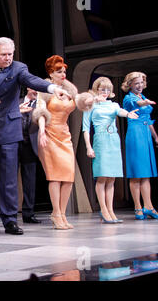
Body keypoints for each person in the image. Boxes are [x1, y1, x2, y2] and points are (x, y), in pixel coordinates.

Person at [0, 38, 68, 237]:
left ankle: (10, 219)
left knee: (9, 178)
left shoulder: (18, 68)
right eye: (3, 55)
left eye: (10, 54)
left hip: (9, 128)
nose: (8, 58)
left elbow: (32, 80)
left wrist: (52, 88)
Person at [32, 55, 93, 230]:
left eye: (64, 71)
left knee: (68, 177)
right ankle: (56, 213)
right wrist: (42, 132)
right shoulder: (45, 89)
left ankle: (62, 214)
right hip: (49, 135)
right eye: (59, 71)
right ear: (51, 74)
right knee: (55, 177)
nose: (63, 74)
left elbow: (80, 101)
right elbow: (40, 112)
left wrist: (89, 99)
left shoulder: (69, 88)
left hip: (65, 136)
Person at [82, 77, 139, 223]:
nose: (105, 92)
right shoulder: (91, 105)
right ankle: (103, 209)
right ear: (96, 90)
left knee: (111, 178)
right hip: (100, 141)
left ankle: (111, 210)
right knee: (102, 177)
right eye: (102, 89)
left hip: (113, 140)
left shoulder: (113, 105)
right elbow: (86, 128)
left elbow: (120, 111)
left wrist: (128, 114)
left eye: (108, 89)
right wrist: (88, 147)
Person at [121, 72, 158, 220]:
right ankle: (138, 207)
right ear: (130, 84)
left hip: (145, 134)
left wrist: (156, 137)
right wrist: (147, 103)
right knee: (137, 173)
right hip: (135, 134)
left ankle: (148, 206)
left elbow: (148, 119)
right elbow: (137, 105)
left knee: (146, 174)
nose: (139, 85)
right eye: (136, 83)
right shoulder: (129, 98)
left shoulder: (143, 97)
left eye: (141, 82)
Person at [18, 88, 41, 224]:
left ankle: (28, 213)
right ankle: (8, 212)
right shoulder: (17, 102)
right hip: (14, 143)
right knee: (9, 179)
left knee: (29, 181)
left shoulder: (41, 105)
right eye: (34, 89)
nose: (36, 92)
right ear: (28, 88)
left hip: (31, 146)